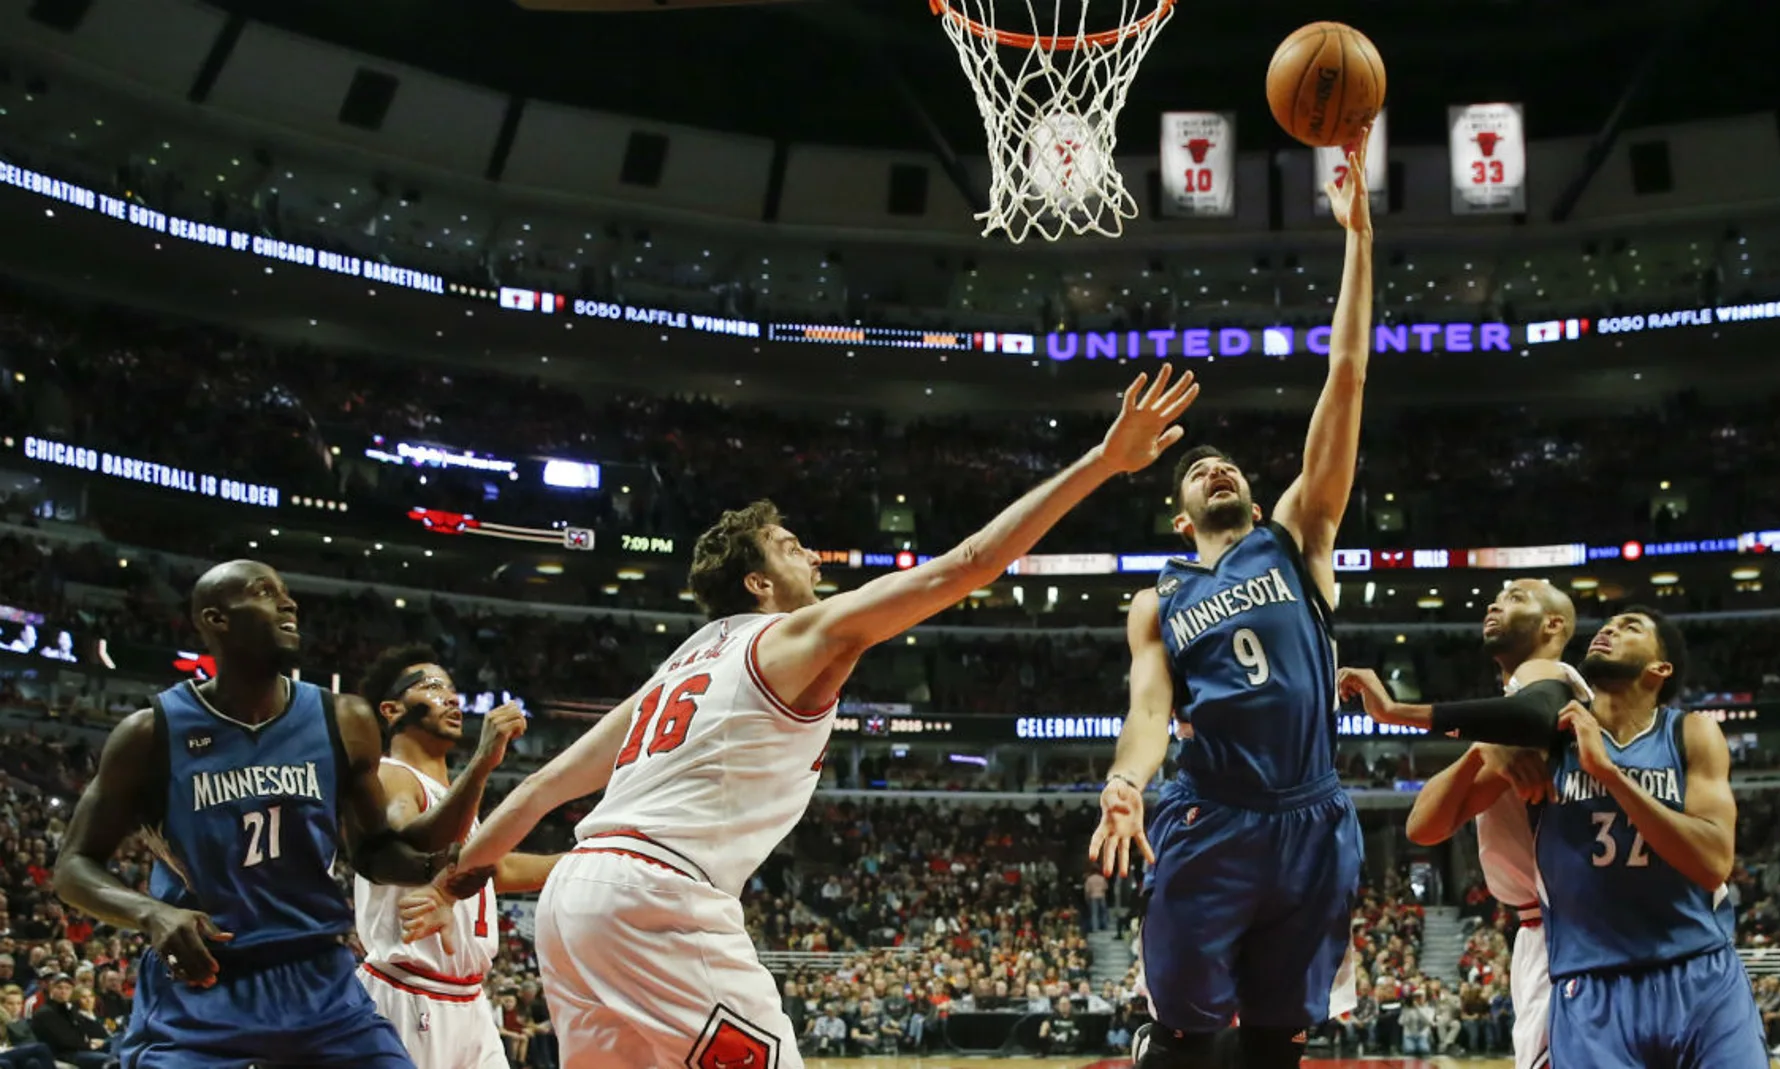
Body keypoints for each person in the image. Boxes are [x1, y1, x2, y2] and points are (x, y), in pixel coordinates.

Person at [407, 367, 1199, 1069]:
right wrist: (1103, 462)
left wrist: (454, 876)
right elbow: (970, 564)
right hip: (659, 896)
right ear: (756, 582)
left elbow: (544, 784)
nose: (811, 556)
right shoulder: (794, 637)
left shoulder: (675, 667)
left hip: (572, 899)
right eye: (790, 547)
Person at [1088, 134, 1374, 1069]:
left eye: (1228, 461)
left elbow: (1346, 378)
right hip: (1211, 814)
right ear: (1180, 517)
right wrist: (1126, 784)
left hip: (1313, 816)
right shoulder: (1158, 599)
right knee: (1187, 1037)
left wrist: (1358, 242)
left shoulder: (1295, 538)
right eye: (1195, 468)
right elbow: (1149, 711)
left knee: (1279, 1042)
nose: (1215, 463)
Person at [51, 560, 457, 1069]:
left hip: (319, 984)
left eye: (287, 593)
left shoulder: (345, 720)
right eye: (265, 593)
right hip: (203, 984)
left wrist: (439, 866)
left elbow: (374, 852)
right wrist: (151, 912)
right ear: (216, 620)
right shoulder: (150, 734)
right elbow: (71, 868)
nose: (288, 604)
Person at [1355, 605, 1768, 1067]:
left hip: (1700, 971)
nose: (1608, 631)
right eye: (1606, 625)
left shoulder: (1691, 733)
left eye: (1629, 628)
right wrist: (1485, 746)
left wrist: (1609, 775)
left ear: (1660, 668)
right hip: (1592, 984)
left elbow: (1713, 862)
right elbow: (1425, 827)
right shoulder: (1551, 737)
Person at [1341, 578, 1592, 1069]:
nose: (1496, 604)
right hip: (1542, 931)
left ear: (1553, 625)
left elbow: (1531, 714)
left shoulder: (1548, 684)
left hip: (1569, 928)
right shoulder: (1509, 721)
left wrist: (1395, 713)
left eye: (1517, 598)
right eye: (1496, 598)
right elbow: (1423, 827)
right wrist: (1482, 748)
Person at [352, 646, 560, 1069]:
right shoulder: (390, 774)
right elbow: (413, 842)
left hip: (469, 999)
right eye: (430, 687)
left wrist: (591, 859)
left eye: (451, 688)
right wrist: (484, 761)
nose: (450, 697)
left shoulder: (455, 799)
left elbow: (494, 869)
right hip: (407, 993)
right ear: (392, 710)